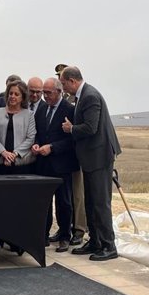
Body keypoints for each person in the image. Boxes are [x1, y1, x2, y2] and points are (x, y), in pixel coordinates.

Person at [60, 66, 122, 262]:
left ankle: (108, 245)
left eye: (63, 84)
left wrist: (71, 129)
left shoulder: (90, 96)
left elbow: (91, 127)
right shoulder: (82, 95)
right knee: (90, 201)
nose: (63, 88)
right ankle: (95, 240)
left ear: (72, 81)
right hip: (90, 158)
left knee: (100, 202)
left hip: (99, 157)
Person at [0, 80, 36, 253]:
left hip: (20, 165)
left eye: (16, 94)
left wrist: (14, 154)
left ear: (23, 97)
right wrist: (3, 153)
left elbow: (31, 138)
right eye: (10, 93)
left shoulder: (29, 115)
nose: (12, 97)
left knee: (17, 204)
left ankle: (17, 239)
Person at [32, 77, 78, 252]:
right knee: (44, 202)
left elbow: (72, 139)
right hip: (43, 164)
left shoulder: (70, 110)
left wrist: (52, 147)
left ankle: (65, 236)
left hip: (62, 164)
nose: (45, 96)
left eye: (48, 93)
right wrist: (36, 144)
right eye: (44, 92)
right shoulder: (42, 110)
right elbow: (37, 132)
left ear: (60, 92)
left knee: (64, 202)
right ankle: (43, 235)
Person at [54, 63, 86, 246]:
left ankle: (79, 229)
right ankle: (64, 227)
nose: (62, 84)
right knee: (65, 196)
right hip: (65, 155)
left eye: (63, 79)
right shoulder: (64, 99)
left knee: (77, 195)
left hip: (77, 152)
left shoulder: (79, 99)